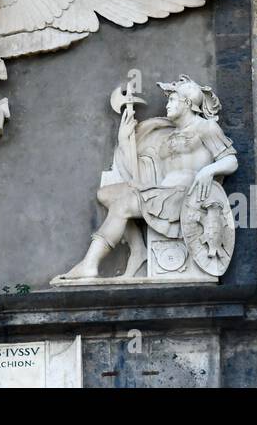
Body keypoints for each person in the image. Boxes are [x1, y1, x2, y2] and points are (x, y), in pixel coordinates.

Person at [58, 76, 236, 280]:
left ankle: (90, 265)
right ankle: (138, 250)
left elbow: (231, 160)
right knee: (106, 194)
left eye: (172, 100)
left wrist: (208, 171)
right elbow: (140, 173)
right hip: (164, 191)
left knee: (122, 204)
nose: (167, 105)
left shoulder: (205, 128)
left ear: (187, 103)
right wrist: (125, 140)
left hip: (185, 197)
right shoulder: (169, 135)